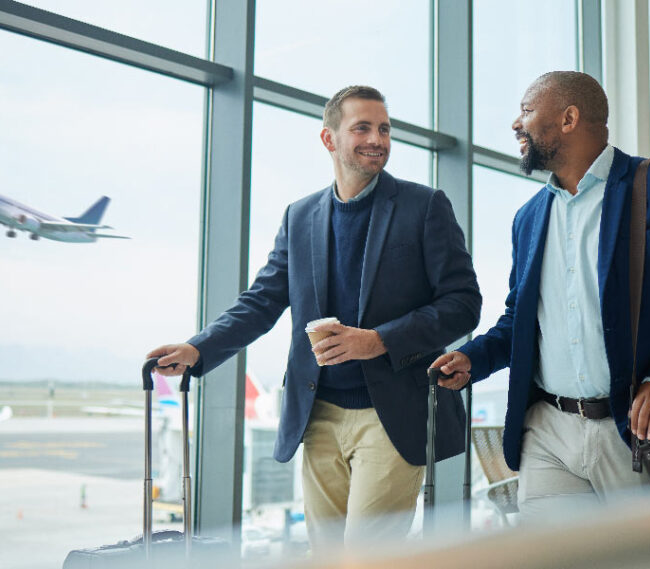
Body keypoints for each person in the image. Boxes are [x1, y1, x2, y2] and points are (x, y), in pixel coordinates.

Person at [148, 85, 481, 549]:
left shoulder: (424, 206)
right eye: (362, 127)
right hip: (317, 413)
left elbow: (463, 304)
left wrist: (379, 339)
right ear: (329, 139)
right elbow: (262, 300)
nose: (377, 139)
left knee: (368, 556)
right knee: (327, 555)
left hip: (391, 415)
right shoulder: (300, 216)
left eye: (384, 128)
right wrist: (199, 348)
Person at [431, 71, 650, 518]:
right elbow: (520, 319)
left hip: (637, 432)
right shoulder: (529, 218)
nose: (515, 124)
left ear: (569, 118)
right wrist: (475, 359)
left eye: (526, 110)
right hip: (549, 433)